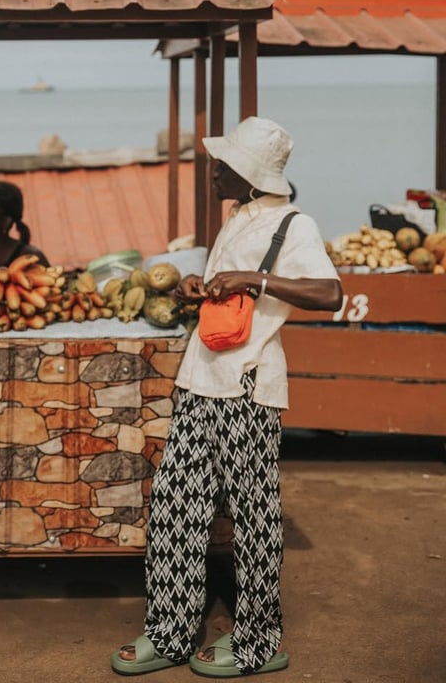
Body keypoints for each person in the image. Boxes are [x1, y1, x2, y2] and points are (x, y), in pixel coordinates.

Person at [111, 116, 342, 678]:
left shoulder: (295, 225)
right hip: (199, 381)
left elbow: (330, 293)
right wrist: (202, 288)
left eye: (223, 164)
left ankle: (259, 641)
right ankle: (168, 632)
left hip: (249, 385)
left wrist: (253, 280)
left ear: (249, 174)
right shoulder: (237, 219)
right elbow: (228, 297)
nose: (213, 171)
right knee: (174, 510)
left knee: (253, 515)